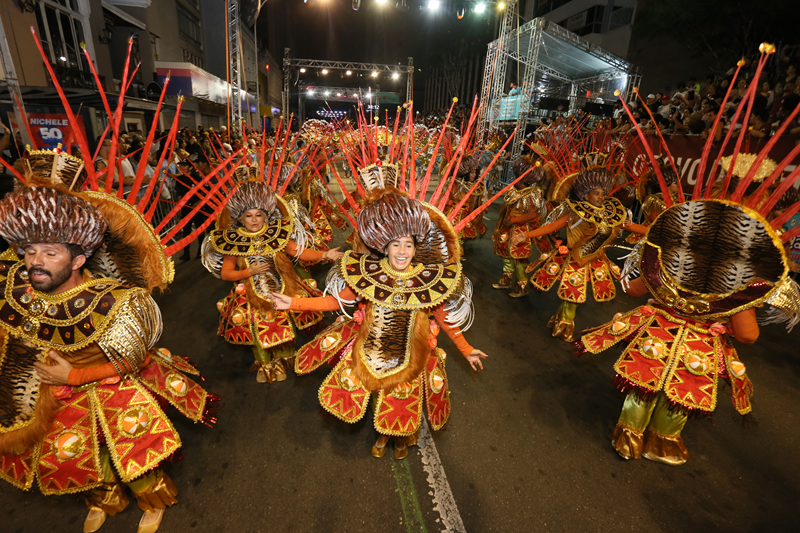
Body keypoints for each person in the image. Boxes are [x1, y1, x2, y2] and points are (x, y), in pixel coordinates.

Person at [0, 175, 214, 533]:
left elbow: (134, 361)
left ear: (78, 259)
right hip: (54, 396)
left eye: (50, 253)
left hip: (113, 387)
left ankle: (151, 499)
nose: (36, 262)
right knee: (76, 458)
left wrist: (73, 377)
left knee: (136, 455)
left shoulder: (116, 302)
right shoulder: (15, 291)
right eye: (30, 251)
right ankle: (105, 499)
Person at [271, 187, 488, 459]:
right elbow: (333, 303)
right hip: (370, 352)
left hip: (410, 355)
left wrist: (467, 350)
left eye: (408, 244)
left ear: (415, 248)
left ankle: (397, 438)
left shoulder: (430, 281)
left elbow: (445, 320)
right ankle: (383, 434)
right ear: (384, 247)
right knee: (377, 398)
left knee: (402, 400)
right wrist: (292, 303)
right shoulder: (366, 275)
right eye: (395, 244)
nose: (401, 250)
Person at [201, 177, 344, 383]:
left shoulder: (276, 234)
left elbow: (298, 251)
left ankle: (282, 359)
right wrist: (247, 273)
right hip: (251, 293)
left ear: (266, 216)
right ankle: (265, 364)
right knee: (256, 328)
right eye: (248, 215)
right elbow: (226, 274)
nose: (254, 220)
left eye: (259, 215)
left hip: (281, 287)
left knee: (282, 324)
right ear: (240, 218)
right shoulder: (234, 242)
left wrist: (324, 255)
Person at [513, 156, 641, 341]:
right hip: (575, 257)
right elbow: (551, 227)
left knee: (571, 295)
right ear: (585, 195)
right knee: (573, 293)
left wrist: (662, 232)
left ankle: (560, 320)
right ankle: (565, 326)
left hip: (596, 259)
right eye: (596, 193)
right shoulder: (575, 211)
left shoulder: (610, 213)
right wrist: (526, 235)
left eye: (602, 193)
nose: (600, 197)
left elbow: (633, 227)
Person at [492, 150, 554, 297]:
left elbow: (534, 214)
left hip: (521, 231)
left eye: (516, 178)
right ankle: (505, 280)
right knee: (506, 256)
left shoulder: (532, 194)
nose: (514, 180)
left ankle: (522, 287)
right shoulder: (513, 191)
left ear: (523, 180)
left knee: (520, 260)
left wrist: (513, 220)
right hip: (507, 230)